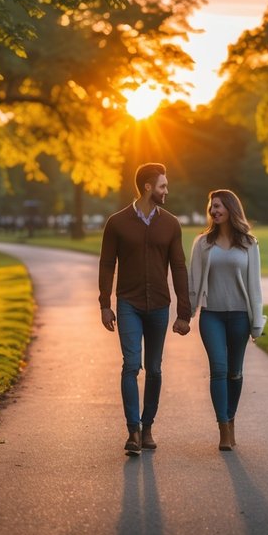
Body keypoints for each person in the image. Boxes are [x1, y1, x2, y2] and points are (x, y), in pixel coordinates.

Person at [98, 162, 191, 455]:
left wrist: (184, 312)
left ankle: (148, 426)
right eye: (163, 185)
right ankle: (133, 432)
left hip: (160, 307)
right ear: (148, 187)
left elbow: (178, 267)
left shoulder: (171, 224)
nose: (167, 190)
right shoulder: (117, 222)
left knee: (154, 369)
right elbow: (106, 264)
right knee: (131, 365)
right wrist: (104, 304)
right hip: (128, 303)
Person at [188, 189, 266, 451]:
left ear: (231, 208)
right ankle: (223, 428)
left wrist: (257, 323)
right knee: (219, 370)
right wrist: (185, 314)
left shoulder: (249, 243)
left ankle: (231, 420)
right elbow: (193, 281)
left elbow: (255, 286)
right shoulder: (203, 243)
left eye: (218, 206)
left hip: (240, 317)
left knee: (235, 372)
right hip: (212, 315)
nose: (214, 211)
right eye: (212, 207)